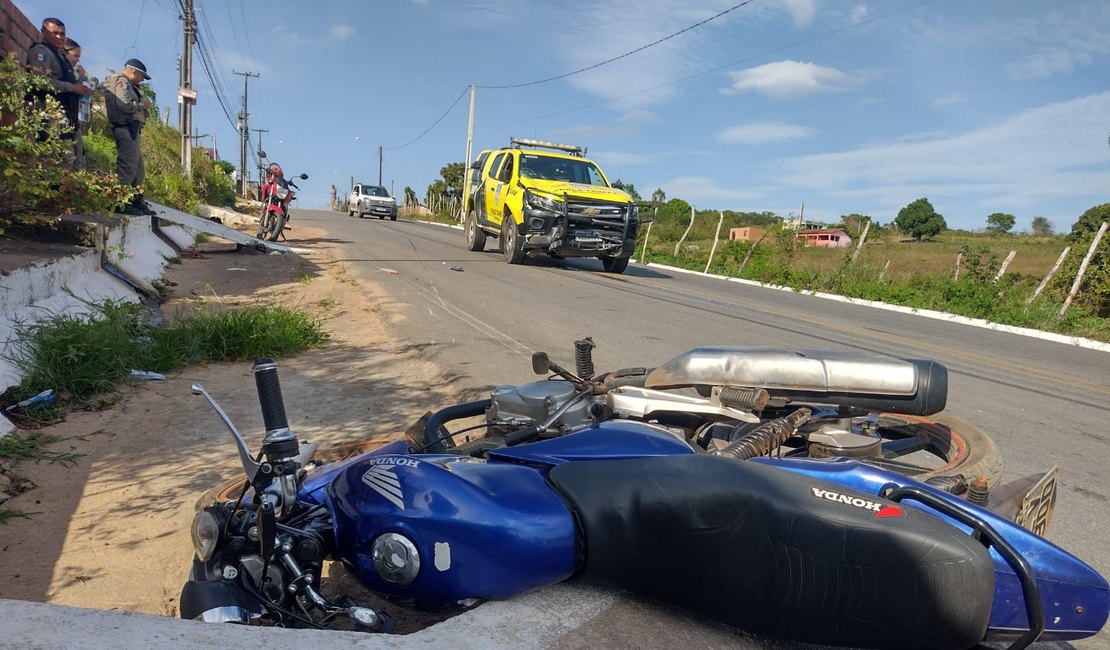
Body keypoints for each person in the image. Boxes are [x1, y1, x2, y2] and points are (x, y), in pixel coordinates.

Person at [25, 17, 92, 166]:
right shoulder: (41, 52)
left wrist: (81, 85)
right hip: (51, 114)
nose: (59, 37)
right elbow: (40, 81)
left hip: (68, 116)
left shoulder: (61, 58)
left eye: (62, 34)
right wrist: (72, 87)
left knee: (76, 163)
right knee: (60, 163)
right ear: (44, 32)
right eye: (54, 33)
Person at [104, 59, 156, 216]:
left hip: (132, 129)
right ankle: (119, 202)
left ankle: (134, 200)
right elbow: (125, 104)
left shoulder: (131, 85)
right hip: (125, 128)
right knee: (127, 167)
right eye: (142, 76)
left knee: (138, 169)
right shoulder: (122, 82)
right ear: (134, 72)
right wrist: (142, 105)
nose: (142, 80)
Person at [63, 38, 90, 170]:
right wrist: (80, 79)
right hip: (62, 117)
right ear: (65, 52)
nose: (77, 60)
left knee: (79, 158)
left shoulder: (71, 71)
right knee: (67, 158)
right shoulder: (60, 69)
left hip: (73, 119)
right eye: (75, 56)